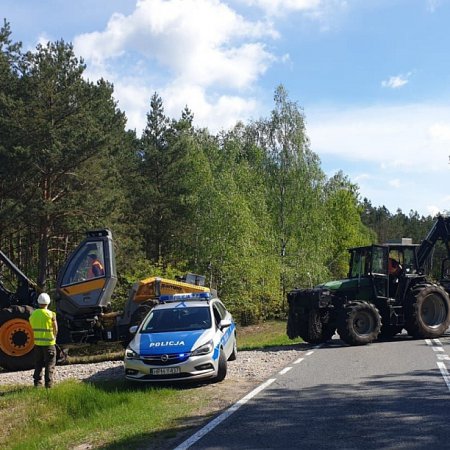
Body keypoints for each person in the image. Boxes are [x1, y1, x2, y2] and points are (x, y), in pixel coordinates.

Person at [29, 293, 58, 388]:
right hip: (49, 344)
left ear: (38, 302)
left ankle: (37, 384)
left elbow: (32, 324)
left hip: (37, 344)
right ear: (48, 302)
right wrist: (54, 338)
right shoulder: (51, 314)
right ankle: (48, 386)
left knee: (38, 364)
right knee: (49, 364)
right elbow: (56, 329)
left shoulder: (33, 314)